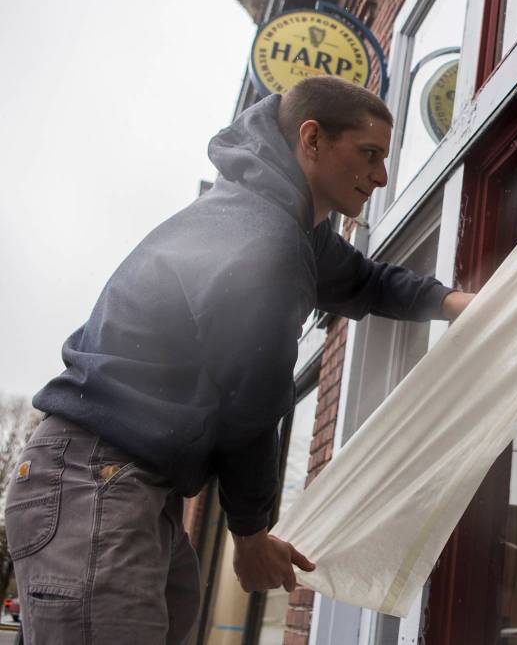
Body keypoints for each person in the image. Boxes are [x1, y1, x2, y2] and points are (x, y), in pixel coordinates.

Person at [3, 76, 474, 644]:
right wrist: (251, 537)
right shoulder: (263, 237)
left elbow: (365, 281)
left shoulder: (286, 226)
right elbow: (251, 404)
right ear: (312, 140)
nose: (380, 176)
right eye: (369, 155)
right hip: (93, 477)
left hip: (130, 484)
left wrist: (453, 304)